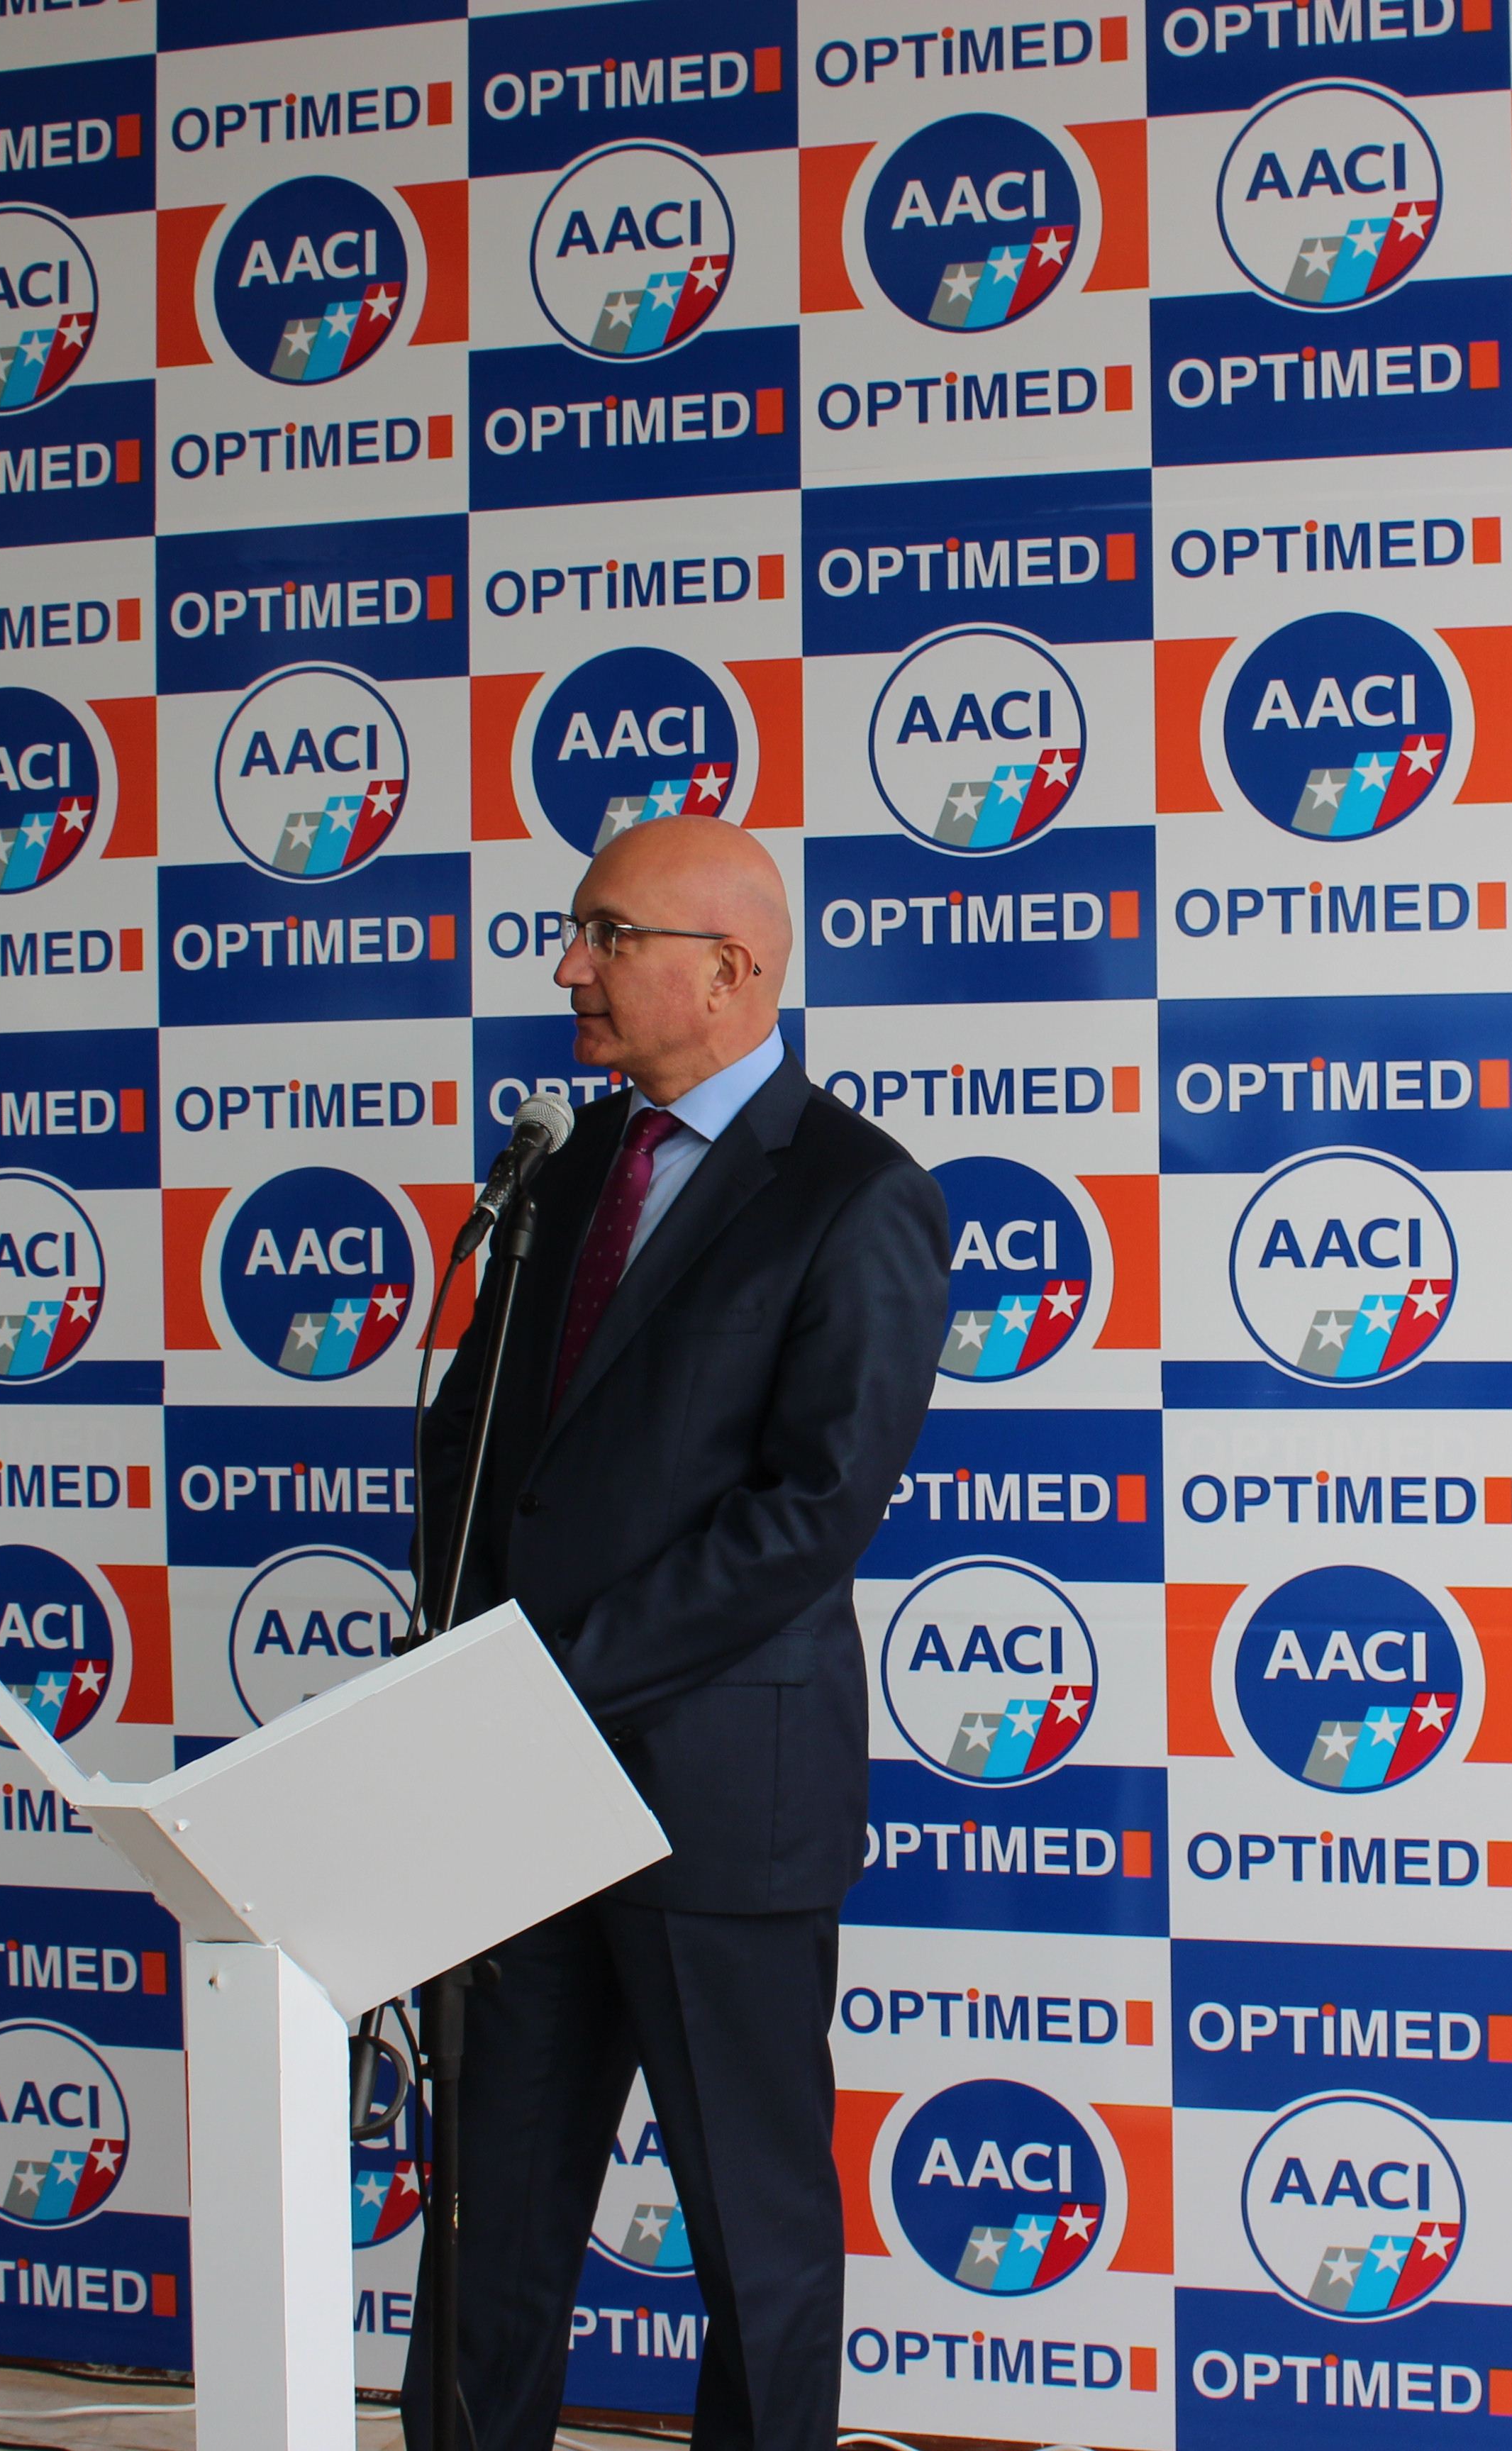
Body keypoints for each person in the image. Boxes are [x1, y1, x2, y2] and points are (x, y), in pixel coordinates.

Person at [406, 814, 947, 2451]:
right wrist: (465, 1671)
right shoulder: (570, 1167)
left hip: (717, 1801)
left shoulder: (856, 1195)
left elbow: (812, 1511)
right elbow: (485, 1436)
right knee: (488, 2220)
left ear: (730, 970)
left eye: (608, 935)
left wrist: (555, 1678)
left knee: (754, 2239)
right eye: (574, 934)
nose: (570, 968)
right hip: (519, 1792)